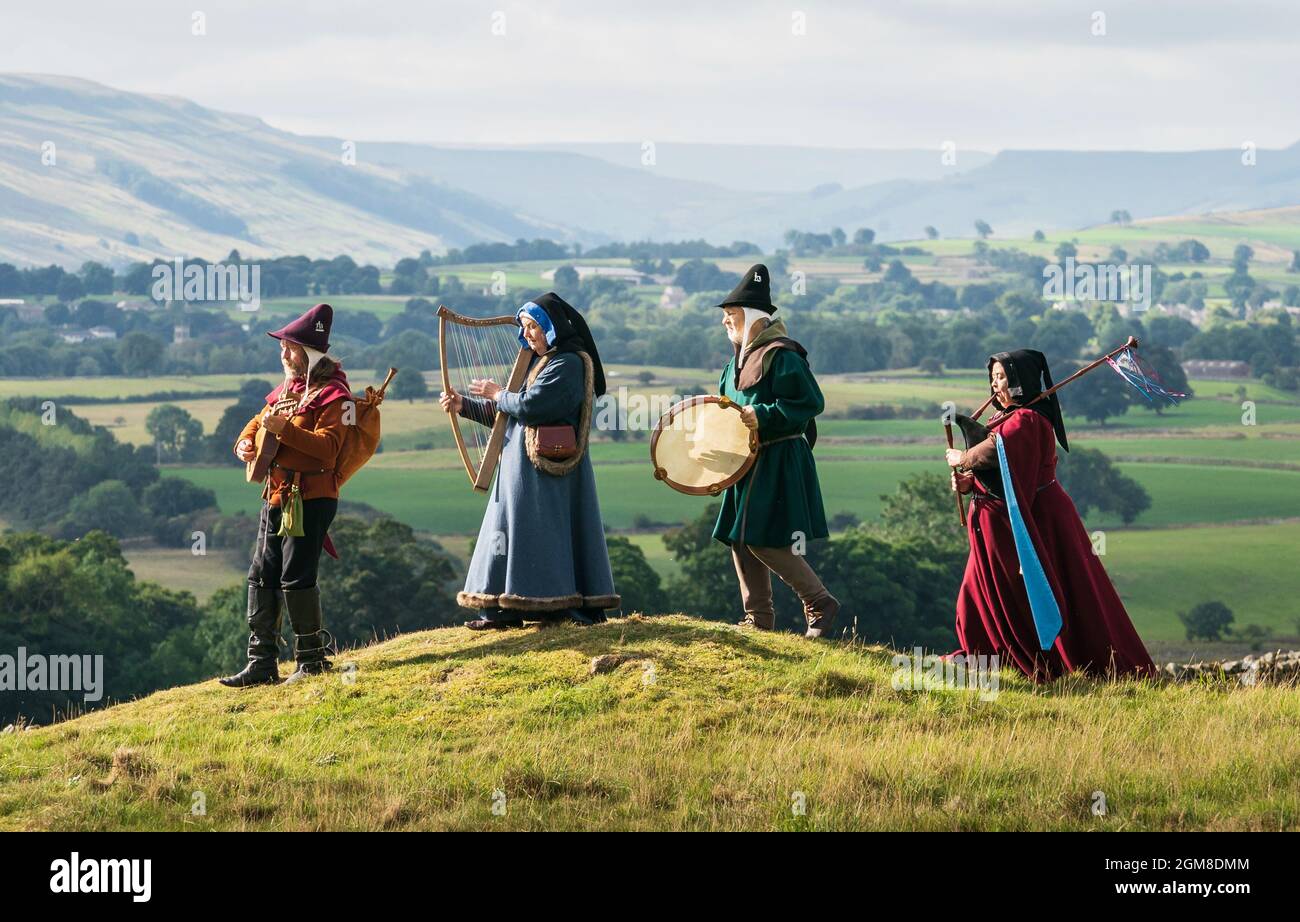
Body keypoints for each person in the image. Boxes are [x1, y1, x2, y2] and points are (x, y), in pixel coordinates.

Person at [945, 350, 1156, 680]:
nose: (994, 383)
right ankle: (987, 662)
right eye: (993, 377)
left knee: (1045, 595)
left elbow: (997, 450)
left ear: (1019, 381)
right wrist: (970, 483)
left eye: (1001, 377)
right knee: (974, 600)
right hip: (999, 526)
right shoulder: (1005, 419)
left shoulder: (1027, 420)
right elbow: (1000, 474)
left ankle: (1047, 663)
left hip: (1039, 523)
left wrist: (963, 457)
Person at [440, 292, 619, 629]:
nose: (528, 334)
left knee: (540, 533)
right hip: (520, 468)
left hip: (547, 470)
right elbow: (509, 413)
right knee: (509, 532)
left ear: (553, 328)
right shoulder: (542, 361)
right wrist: (464, 405)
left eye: (534, 326)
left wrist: (497, 393)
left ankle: (556, 606)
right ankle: (502, 608)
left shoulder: (569, 362)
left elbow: (531, 406)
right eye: (525, 327)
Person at [220, 303, 349, 687]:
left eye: (290, 347)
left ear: (307, 353)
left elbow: (328, 450)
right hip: (275, 494)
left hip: (313, 498)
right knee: (263, 574)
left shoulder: (337, 396)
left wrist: (285, 430)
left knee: (297, 576)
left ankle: (311, 660)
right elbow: (257, 422)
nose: (283, 353)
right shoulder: (287, 390)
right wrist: (244, 442)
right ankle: (261, 663)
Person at [712, 264, 838, 638]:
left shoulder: (782, 356)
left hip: (779, 458)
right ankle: (758, 618)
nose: (725, 323)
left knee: (762, 537)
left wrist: (762, 415)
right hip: (744, 462)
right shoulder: (731, 365)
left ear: (752, 317)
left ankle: (818, 601)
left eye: (731, 316)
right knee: (738, 536)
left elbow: (810, 403)